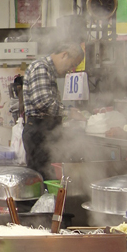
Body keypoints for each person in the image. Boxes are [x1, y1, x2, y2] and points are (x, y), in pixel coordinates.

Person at [21, 42, 84, 179]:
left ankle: (49, 200)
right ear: (64, 55)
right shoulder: (41, 68)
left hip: (45, 132)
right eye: (72, 64)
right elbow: (42, 102)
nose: (70, 70)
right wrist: (68, 113)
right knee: (40, 177)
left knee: (48, 176)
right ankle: (41, 201)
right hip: (39, 134)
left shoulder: (48, 70)